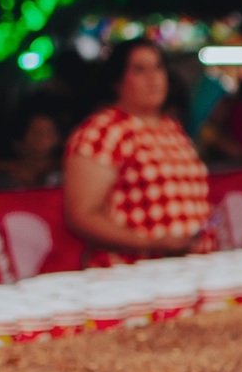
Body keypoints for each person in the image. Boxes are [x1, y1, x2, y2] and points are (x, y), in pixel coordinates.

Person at [62, 39, 215, 266]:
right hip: (131, 273)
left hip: (188, 271)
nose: (153, 78)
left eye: (158, 67)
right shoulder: (102, 131)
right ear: (118, 81)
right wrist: (151, 243)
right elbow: (81, 215)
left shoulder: (171, 128)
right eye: (139, 69)